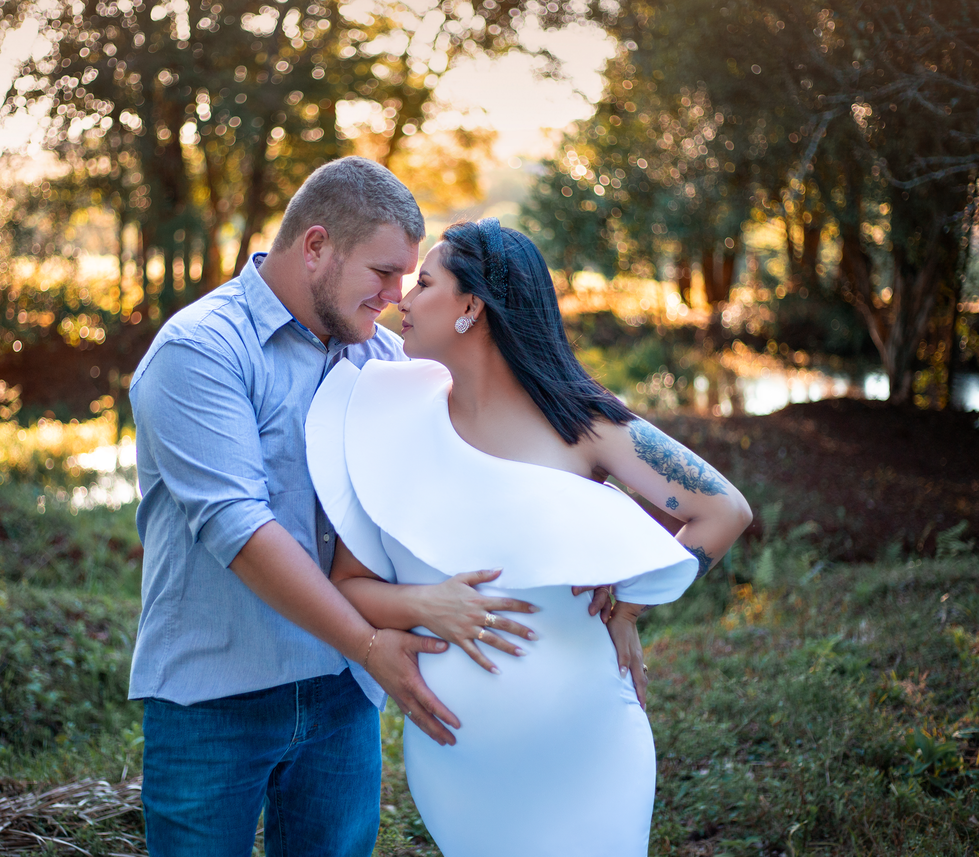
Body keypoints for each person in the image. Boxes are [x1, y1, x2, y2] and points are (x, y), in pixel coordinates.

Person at [305, 218, 754, 856]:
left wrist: (629, 601)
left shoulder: (584, 422)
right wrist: (426, 604)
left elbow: (723, 510)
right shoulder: (386, 414)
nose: (402, 300)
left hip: (591, 750)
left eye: (424, 283)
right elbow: (348, 586)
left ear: (471, 306)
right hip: (461, 770)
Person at [128, 158, 499, 856]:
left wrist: (592, 564)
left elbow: (480, 462)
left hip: (341, 698)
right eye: (383, 273)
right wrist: (368, 644)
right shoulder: (200, 349)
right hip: (215, 698)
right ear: (317, 246)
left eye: (407, 278)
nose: (396, 296)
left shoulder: (384, 362)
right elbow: (241, 529)